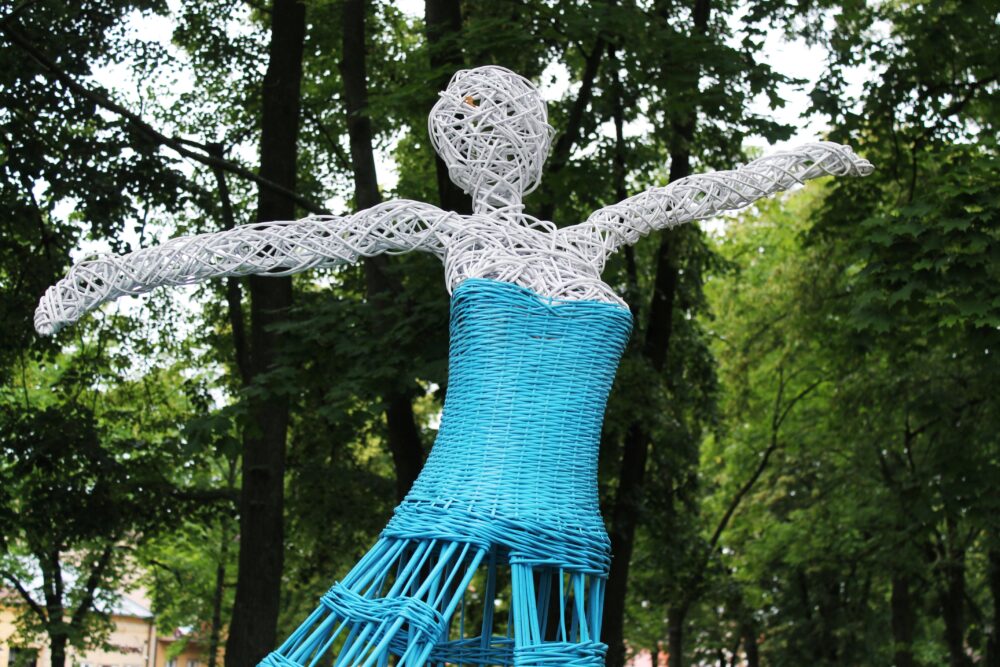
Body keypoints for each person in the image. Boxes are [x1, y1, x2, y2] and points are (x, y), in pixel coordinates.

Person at [35, 66, 872, 666]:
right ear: (454, 154)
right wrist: (106, 278)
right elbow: (291, 241)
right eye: (471, 126)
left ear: (537, 140)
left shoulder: (593, 240)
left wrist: (811, 158)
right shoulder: (446, 230)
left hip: (567, 541)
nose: (494, 138)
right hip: (449, 519)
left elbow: (715, 187)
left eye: (511, 121)